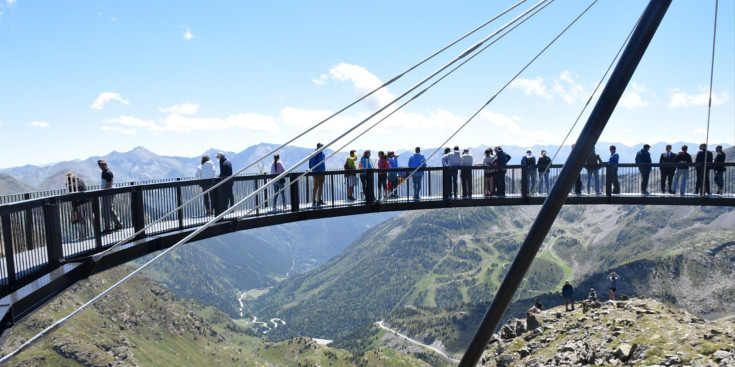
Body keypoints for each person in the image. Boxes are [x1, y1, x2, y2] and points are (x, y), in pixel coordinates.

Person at [98, 159, 123, 234]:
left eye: (103, 164)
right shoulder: (104, 172)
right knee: (109, 209)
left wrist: (105, 192)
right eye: (100, 164)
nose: (101, 166)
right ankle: (118, 224)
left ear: (106, 164)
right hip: (106, 192)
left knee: (106, 210)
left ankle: (108, 228)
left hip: (108, 193)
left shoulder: (108, 173)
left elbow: (109, 185)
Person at [66, 172, 89, 239]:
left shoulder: (71, 185)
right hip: (87, 200)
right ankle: (97, 232)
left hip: (79, 203)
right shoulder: (81, 181)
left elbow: (72, 196)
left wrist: (74, 208)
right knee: (91, 217)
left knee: (81, 219)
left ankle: (83, 235)